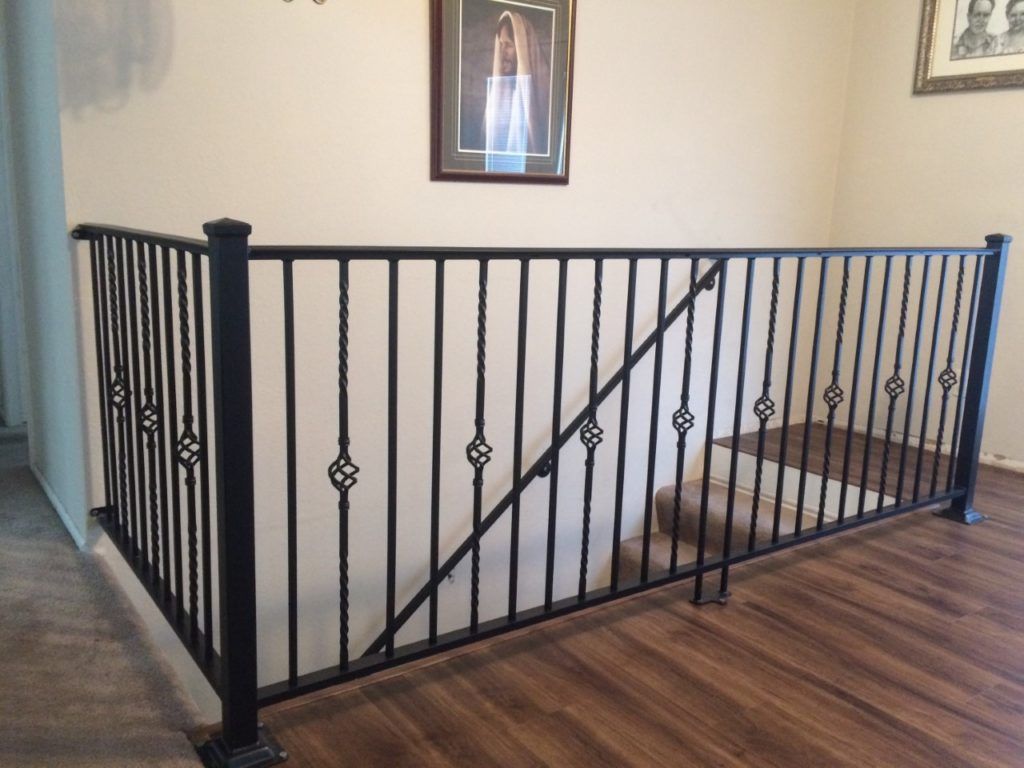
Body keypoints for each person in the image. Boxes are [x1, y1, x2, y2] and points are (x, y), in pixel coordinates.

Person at [483, 10, 550, 173]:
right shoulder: (497, 97)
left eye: (509, 45)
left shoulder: (545, 89)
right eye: (501, 45)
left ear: (522, 48)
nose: (502, 52)